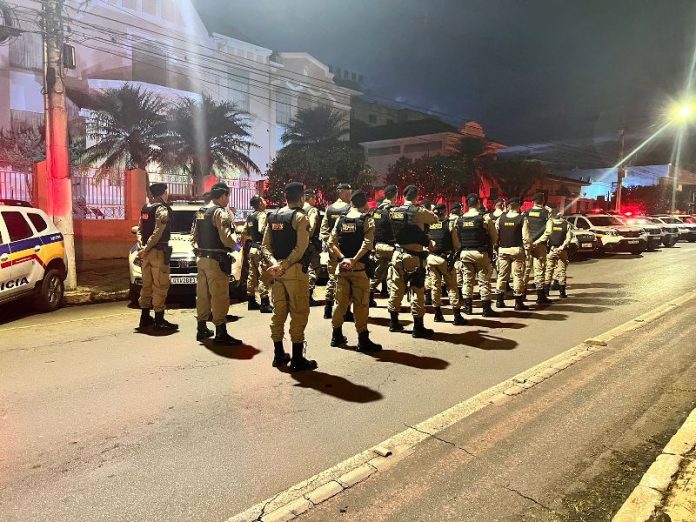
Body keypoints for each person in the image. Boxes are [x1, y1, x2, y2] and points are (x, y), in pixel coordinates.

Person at [261, 181, 317, 371]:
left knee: (278, 313)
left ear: (286, 197)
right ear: (301, 198)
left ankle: (278, 355)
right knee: (299, 313)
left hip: (276, 273)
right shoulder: (300, 217)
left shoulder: (273, 216)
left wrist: (275, 264)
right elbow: (300, 248)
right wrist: (284, 265)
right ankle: (297, 359)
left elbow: (265, 246)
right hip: (294, 272)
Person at [328, 190, 382, 352]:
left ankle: (336, 335)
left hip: (342, 268)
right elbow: (367, 245)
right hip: (359, 269)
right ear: (365, 203)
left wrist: (343, 258)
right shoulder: (366, 219)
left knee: (340, 303)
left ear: (351, 203)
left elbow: (331, 243)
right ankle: (363, 340)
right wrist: (354, 260)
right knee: (361, 304)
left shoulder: (341, 220)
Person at [192, 182, 241, 345]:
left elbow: (194, 235)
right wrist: (237, 246)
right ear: (222, 196)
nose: (228, 200)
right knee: (219, 295)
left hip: (202, 258)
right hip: (216, 260)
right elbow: (226, 238)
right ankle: (221, 332)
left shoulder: (201, 211)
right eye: (227, 196)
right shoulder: (220, 212)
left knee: (203, 295)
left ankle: (201, 328)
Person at [387, 184, 438, 338]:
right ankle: (418, 327)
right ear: (417, 196)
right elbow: (434, 219)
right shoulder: (418, 211)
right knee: (417, 290)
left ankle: (393, 322)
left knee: (396, 288)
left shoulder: (394, 211)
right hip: (413, 257)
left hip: (397, 254)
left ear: (403, 196)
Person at [136, 182, 178, 331]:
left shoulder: (145, 208)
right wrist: (147, 248)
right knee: (160, 285)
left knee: (146, 285)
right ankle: (159, 320)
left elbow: (139, 230)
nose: (167, 195)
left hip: (146, 254)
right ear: (162, 194)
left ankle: (145, 317)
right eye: (166, 192)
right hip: (157, 253)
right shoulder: (162, 210)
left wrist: (142, 247)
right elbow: (158, 232)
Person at [456, 193, 499, 317]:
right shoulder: (484, 218)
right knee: (484, 281)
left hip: (465, 253)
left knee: (467, 281)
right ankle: (486, 310)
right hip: (480, 253)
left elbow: (457, 238)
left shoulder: (460, 219)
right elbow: (494, 237)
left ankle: (468, 308)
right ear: (478, 203)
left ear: (467, 205)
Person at [427, 204, 465, 325]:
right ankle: (457, 315)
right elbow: (456, 244)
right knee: (452, 286)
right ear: (444, 213)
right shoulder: (449, 224)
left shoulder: (428, 225)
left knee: (435, 286)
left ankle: (437, 314)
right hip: (445, 260)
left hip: (431, 259)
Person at [320, 183, 352, 319]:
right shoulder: (350, 209)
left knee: (332, 279)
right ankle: (346, 311)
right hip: (346, 250)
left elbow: (323, 231)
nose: (350, 195)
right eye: (349, 193)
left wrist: (331, 245)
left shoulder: (330, 209)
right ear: (344, 193)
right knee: (347, 280)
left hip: (333, 251)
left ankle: (328, 309)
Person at [495, 197, 530, 310]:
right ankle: (518, 303)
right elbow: (526, 237)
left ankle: (499, 301)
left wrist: (496, 247)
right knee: (517, 276)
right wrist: (527, 249)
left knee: (502, 275)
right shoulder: (522, 219)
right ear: (519, 206)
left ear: (509, 206)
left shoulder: (501, 218)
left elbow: (496, 235)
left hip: (503, 250)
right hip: (516, 250)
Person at [243, 195, 272, 313]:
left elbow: (245, 231)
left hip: (252, 248)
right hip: (261, 249)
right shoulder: (262, 215)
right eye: (263, 200)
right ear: (260, 203)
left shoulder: (250, 216)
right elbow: (262, 230)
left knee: (252, 275)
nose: (265, 202)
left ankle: (251, 301)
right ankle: (264, 303)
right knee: (263, 275)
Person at [369, 184, 398, 306]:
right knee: (397, 271)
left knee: (378, 273)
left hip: (378, 246)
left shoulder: (376, 210)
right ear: (395, 195)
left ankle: (369, 297)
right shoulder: (393, 210)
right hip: (391, 247)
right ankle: (394, 302)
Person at [524, 192, 554, 304]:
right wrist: (539, 241)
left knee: (525, 270)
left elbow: (523, 229)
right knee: (539, 270)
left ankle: (521, 295)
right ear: (543, 201)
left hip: (527, 245)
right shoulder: (546, 213)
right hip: (540, 245)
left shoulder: (526, 212)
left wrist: (527, 242)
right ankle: (540, 297)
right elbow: (549, 231)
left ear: (533, 201)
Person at [544, 205, 572, 298]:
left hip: (552, 249)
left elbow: (547, 235)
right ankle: (562, 293)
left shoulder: (550, 222)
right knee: (562, 271)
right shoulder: (566, 224)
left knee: (549, 270)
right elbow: (568, 238)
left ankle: (546, 292)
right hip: (562, 251)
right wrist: (562, 247)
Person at [303, 189, 323, 306]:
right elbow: (311, 229)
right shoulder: (312, 210)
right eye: (315, 198)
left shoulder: (297, 209)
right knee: (314, 269)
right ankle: (308, 297)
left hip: (297, 245)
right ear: (310, 198)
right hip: (310, 245)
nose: (315, 200)